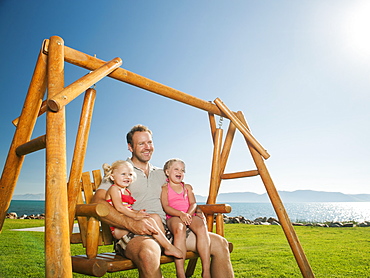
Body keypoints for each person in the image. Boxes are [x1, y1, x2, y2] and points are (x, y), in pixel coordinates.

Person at [91, 124, 234, 278]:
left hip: (170, 231)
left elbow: (180, 195)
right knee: (148, 254)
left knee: (220, 244)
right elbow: (97, 203)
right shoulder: (122, 171)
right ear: (130, 147)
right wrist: (131, 223)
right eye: (141, 144)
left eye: (150, 142)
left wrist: (192, 210)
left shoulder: (162, 173)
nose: (147, 147)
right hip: (136, 233)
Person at [103, 160, 183, 258]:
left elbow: (128, 209)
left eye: (130, 174)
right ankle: (168, 247)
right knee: (149, 220)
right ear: (112, 176)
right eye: (123, 174)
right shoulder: (114, 189)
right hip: (118, 228)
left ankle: (162, 243)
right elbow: (119, 208)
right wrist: (136, 215)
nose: (127, 177)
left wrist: (138, 212)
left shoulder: (126, 190)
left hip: (127, 221)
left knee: (154, 217)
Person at [161, 158, 211, 278]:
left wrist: (188, 214)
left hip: (189, 214)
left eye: (183, 170)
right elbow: (166, 206)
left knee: (202, 227)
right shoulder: (165, 188)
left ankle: (206, 270)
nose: (180, 172)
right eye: (176, 169)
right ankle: (180, 273)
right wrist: (180, 214)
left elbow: (193, 203)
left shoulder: (187, 187)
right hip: (174, 216)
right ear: (167, 172)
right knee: (179, 228)